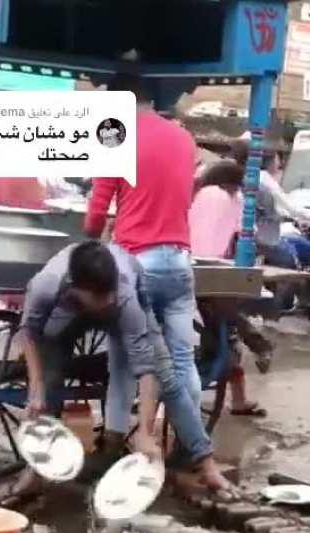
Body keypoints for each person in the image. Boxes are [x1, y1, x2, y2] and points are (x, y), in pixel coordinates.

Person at [85, 71, 229, 494]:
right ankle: (188, 443)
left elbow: (96, 213)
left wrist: (92, 241)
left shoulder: (116, 135)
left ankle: (112, 442)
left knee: (122, 358)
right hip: (178, 262)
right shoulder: (184, 138)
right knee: (181, 361)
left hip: (136, 262)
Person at [5, 241, 233, 503]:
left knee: (167, 376)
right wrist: (36, 387)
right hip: (66, 314)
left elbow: (146, 370)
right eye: (101, 296)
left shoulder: (123, 294)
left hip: (130, 305)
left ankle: (208, 466)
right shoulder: (47, 285)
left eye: (110, 292)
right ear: (77, 288)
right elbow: (29, 333)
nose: (109, 299)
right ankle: (36, 468)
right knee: (50, 372)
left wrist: (145, 433)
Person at [190, 160, 273, 417]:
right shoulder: (227, 198)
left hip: (192, 265)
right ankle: (258, 343)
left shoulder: (200, 193)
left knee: (226, 327)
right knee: (227, 327)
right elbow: (246, 233)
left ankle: (257, 345)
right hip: (214, 272)